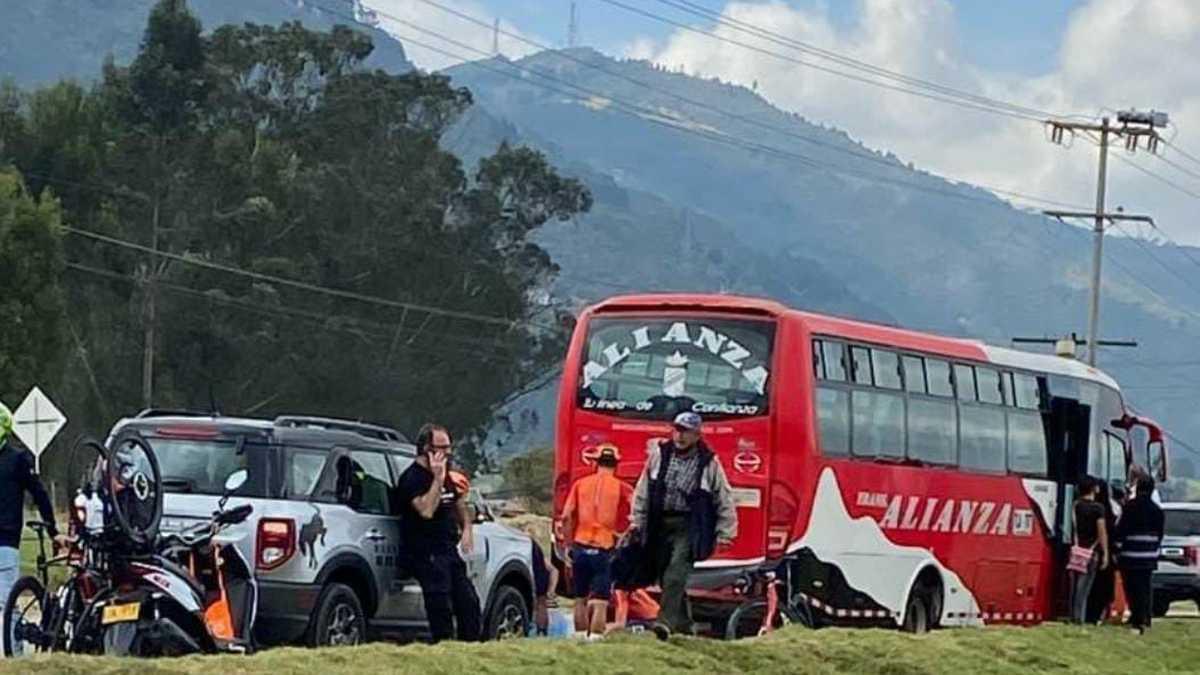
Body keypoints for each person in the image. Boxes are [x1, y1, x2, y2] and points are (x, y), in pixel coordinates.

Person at [630, 412, 737, 640]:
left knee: (676, 575)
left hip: (689, 526)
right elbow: (643, 490)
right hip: (659, 523)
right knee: (663, 575)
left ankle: (664, 623)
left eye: (686, 431)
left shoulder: (708, 462)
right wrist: (636, 522)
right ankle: (687, 626)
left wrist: (726, 533)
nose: (680, 435)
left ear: (697, 435)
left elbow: (724, 498)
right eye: (677, 429)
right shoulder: (660, 455)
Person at [394, 423, 482, 643]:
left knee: (468, 602)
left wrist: (467, 528)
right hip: (424, 551)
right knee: (439, 602)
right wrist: (436, 479)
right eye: (441, 448)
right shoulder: (413, 478)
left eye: (449, 447)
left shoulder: (448, 477)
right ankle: (443, 645)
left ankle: (470, 648)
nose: (447, 453)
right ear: (426, 448)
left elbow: (457, 502)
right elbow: (426, 510)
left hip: (447, 549)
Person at [0, 403, 67, 629]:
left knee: (5, 600)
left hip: (5, 539)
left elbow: (39, 495)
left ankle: (15, 654)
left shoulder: (17, 460)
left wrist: (53, 531)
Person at [560, 443, 633, 639]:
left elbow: (566, 517)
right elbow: (638, 515)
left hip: (580, 544)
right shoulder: (621, 487)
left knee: (579, 598)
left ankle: (580, 638)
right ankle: (596, 640)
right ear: (616, 464)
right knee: (601, 599)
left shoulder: (580, 484)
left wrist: (568, 545)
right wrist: (623, 535)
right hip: (605, 547)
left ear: (595, 463)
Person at [1115, 474, 1165, 634]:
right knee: (1145, 587)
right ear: (1152, 490)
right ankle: (1146, 618)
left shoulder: (1129, 507)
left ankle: (1136, 618)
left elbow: (1121, 530)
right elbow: (1160, 534)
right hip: (1149, 555)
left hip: (1130, 555)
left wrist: (1117, 549)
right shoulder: (1157, 511)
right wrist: (1154, 549)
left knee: (1131, 587)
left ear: (1138, 489)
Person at [1069, 476, 1109, 624]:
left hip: (1077, 550)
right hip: (1091, 552)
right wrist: (1105, 553)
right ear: (1093, 488)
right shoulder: (1098, 508)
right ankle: (1079, 618)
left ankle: (1072, 614)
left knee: (1075, 585)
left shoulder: (1076, 505)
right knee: (1084, 587)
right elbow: (1101, 531)